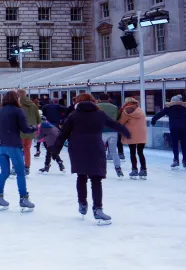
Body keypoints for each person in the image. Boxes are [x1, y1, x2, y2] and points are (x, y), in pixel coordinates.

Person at [55, 93, 130, 224]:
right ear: (93, 102)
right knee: (96, 179)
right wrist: (125, 132)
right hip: (95, 147)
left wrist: (55, 150)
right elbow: (113, 124)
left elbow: (63, 134)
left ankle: (82, 203)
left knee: (81, 176)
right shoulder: (99, 114)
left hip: (77, 148)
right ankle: (98, 209)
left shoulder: (74, 115)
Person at [0, 90, 36, 212]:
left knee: (4, 172)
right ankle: (23, 198)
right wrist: (34, 127)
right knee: (20, 172)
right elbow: (25, 129)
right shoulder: (18, 111)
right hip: (12, 145)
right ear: (15, 99)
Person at [150, 94, 186, 169]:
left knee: (175, 144)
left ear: (172, 101)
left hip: (174, 128)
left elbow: (160, 114)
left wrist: (153, 120)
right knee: (184, 145)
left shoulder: (169, 108)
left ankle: (176, 160)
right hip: (184, 128)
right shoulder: (185, 107)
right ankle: (185, 161)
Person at [119, 97, 149, 179]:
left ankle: (134, 170)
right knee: (140, 152)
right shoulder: (140, 110)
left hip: (132, 134)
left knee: (133, 152)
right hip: (142, 133)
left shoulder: (126, 111)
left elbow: (121, 122)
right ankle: (143, 170)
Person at [96, 93, 124, 177]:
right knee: (113, 151)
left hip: (101, 131)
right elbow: (118, 117)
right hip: (113, 131)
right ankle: (118, 168)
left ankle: (100, 169)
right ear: (108, 99)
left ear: (99, 99)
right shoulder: (114, 107)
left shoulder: (96, 106)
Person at [18, 89, 41, 171]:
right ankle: (27, 166)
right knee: (27, 149)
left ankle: (16, 167)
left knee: (17, 149)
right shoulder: (33, 105)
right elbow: (38, 120)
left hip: (20, 132)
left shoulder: (18, 105)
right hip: (30, 131)